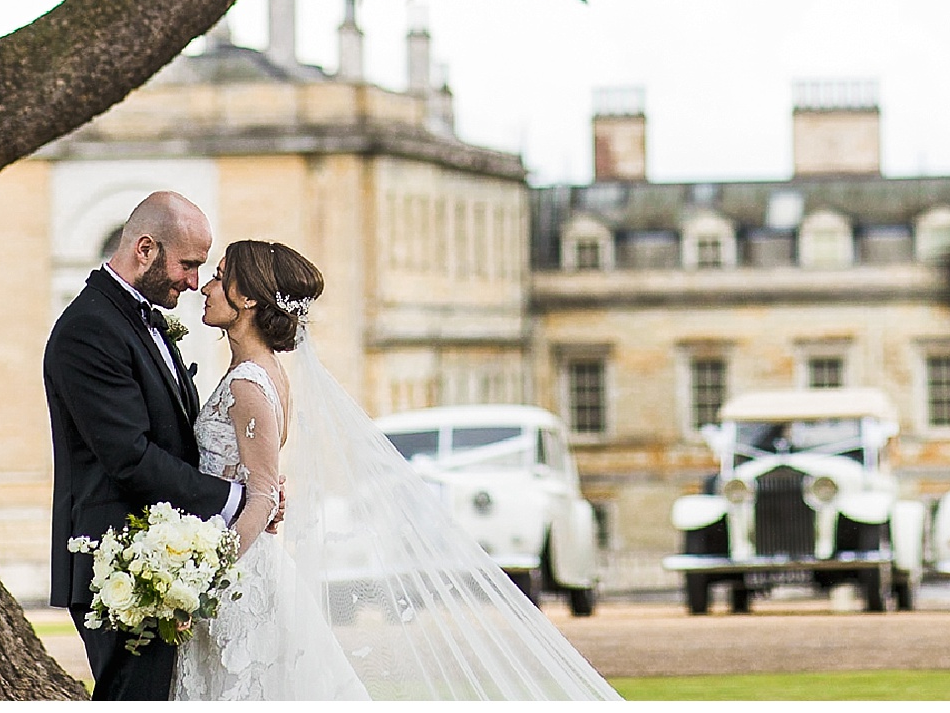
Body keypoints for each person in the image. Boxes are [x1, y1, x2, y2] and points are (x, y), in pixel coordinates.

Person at [175, 240, 618, 701]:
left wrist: (205, 579)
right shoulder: (260, 373)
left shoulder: (250, 382)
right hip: (246, 565)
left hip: (237, 575)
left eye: (220, 275)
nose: (205, 286)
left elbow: (263, 497)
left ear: (247, 298)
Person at [44, 192, 242, 701]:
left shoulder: (137, 317)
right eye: (189, 265)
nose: (195, 282)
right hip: (117, 564)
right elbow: (130, 457)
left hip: (156, 555)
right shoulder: (89, 329)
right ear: (146, 249)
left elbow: (173, 436)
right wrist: (231, 499)